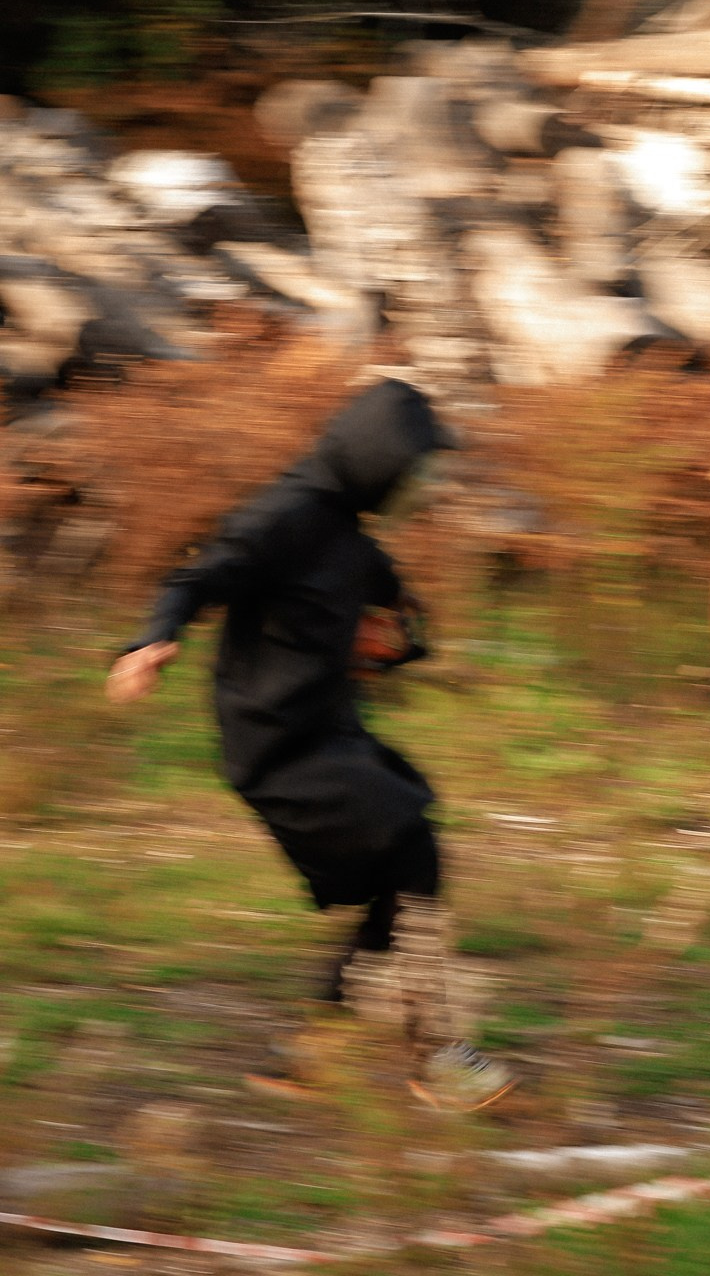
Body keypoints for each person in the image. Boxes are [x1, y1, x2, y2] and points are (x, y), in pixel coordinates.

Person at [107, 377, 513, 1112]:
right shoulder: (283, 515)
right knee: (412, 849)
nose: (421, 488)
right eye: (415, 472)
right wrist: (150, 641)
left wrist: (399, 641)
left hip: (330, 734)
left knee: (404, 869)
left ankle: (311, 1051)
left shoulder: (351, 537)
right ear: (374, 458)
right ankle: (434, 1056)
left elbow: (396, 615)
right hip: (277, 749)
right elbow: (194, 578)